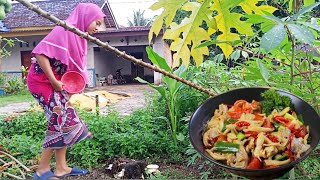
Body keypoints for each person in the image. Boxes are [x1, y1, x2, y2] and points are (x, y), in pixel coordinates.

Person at [27, 3, 105, 179]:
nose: (97, 29)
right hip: (41, 81)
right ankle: (42, 169)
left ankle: (61, 167)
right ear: (87, 18)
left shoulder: (79, 39)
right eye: (97, 23)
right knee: (59, 118)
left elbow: (71, 69)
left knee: (65, 118)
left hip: (57, 83)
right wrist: (54, 81)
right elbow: (40, 54)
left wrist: (66, 94)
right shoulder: (63, 30)